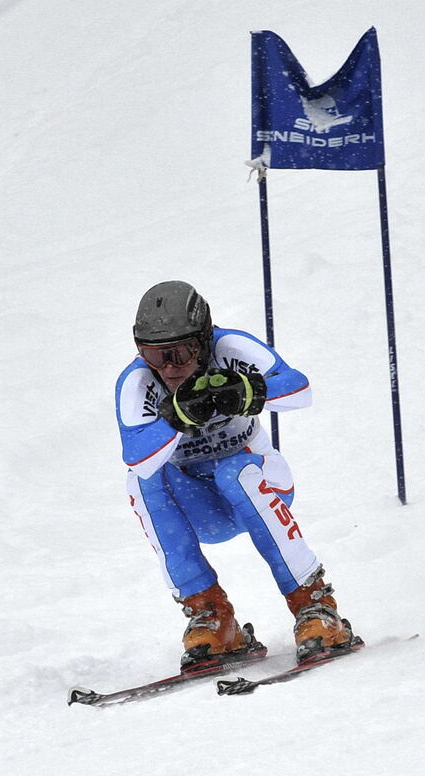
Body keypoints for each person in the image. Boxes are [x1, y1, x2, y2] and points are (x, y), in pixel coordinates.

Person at [115, 280, 355, 669]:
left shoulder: (230, 348)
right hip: (203, 505)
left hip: (261, 481)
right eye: (154, 356)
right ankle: (212, 616)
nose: (169, 368)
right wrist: (175, 417)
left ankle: (315, 606)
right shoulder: (138, 381)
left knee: (234, 472)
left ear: (204, 340)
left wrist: (251, 389)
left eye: (180, 353)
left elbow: (299, 389)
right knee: (142, 482)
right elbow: (137, 457)